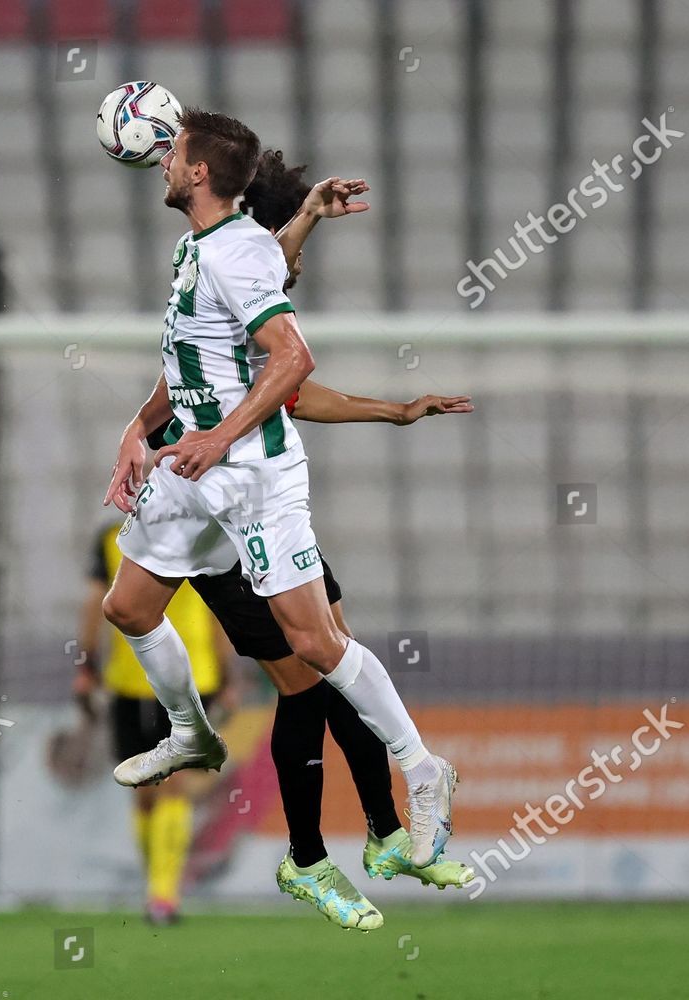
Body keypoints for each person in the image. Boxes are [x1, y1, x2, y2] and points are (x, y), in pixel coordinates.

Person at [99, 109, 458, 882]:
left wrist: (215, 438)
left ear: (198, 174)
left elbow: (293, 359)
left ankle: (421, 769)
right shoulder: (207, 246)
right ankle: (191, 734)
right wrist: (139, 429)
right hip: (193, 471)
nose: (163, 160)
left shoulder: (229, 255)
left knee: (316, 646)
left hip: (252, 476)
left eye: (176, 152)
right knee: (126, 608)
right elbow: (198, 349)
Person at [74, 523, 233, 925]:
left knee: (174, 781)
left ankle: (163, 895)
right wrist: (87, 664)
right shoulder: (112, 537)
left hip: (190, 676)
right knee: (143, 789)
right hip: (130, 677)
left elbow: (218, 606)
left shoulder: (202, 529)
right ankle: (157, 886)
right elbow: (96, 600)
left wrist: (229, 675)